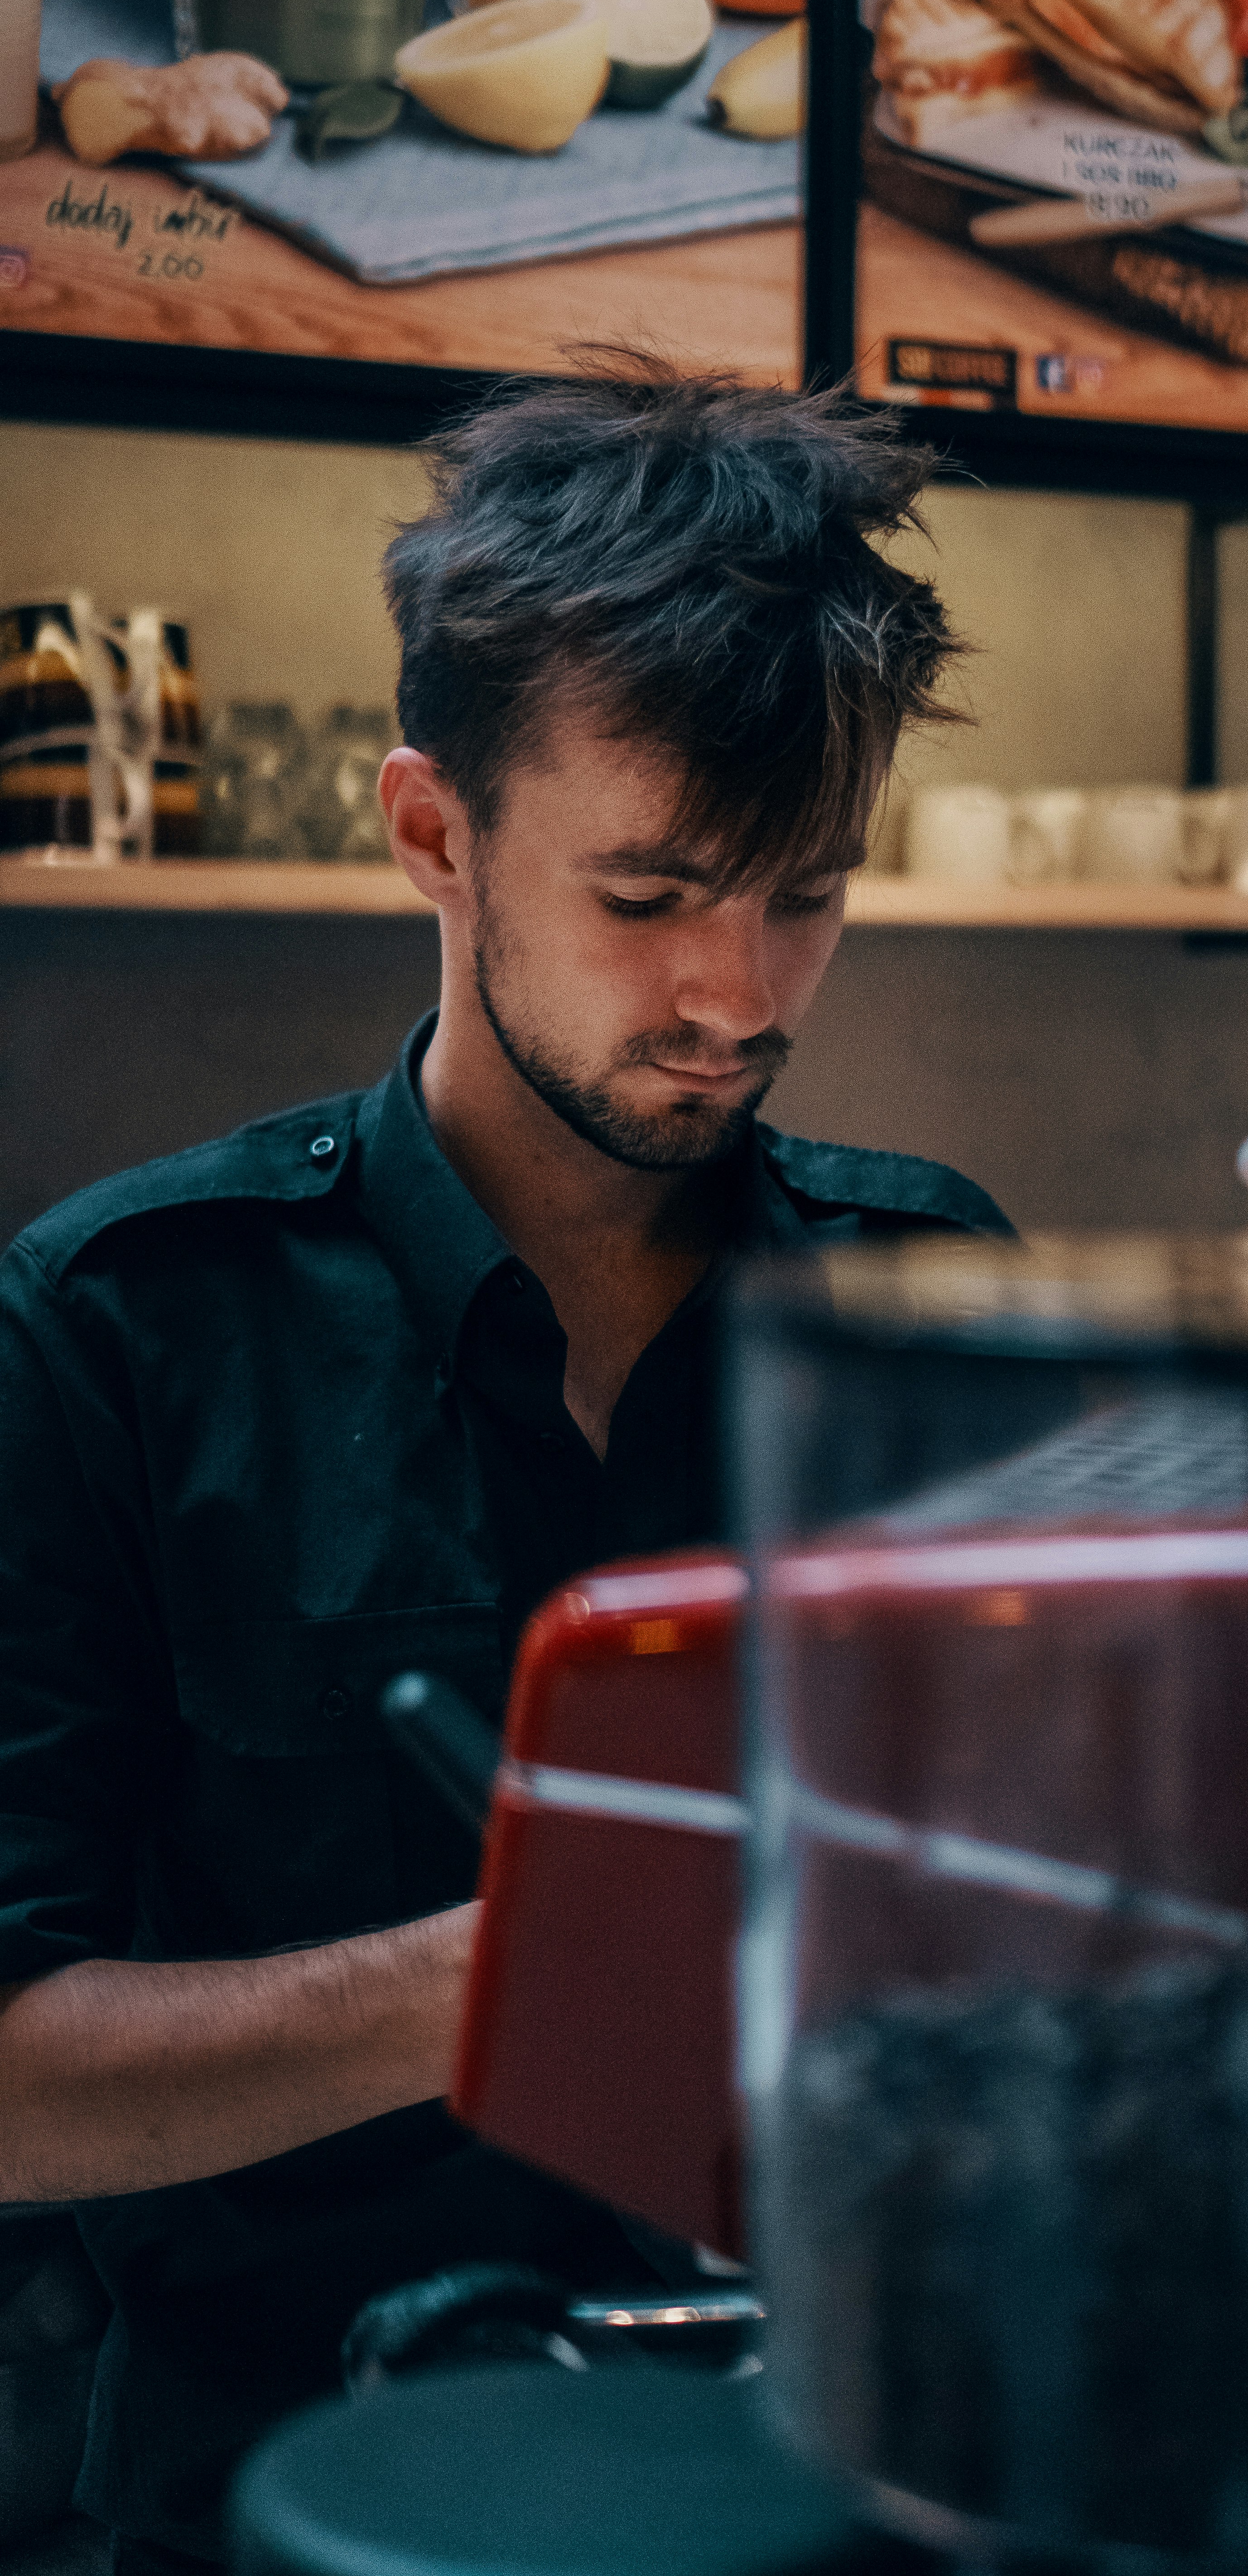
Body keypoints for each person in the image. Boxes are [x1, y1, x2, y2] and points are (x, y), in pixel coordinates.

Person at [0, 358, 1011, 2570]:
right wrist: (533, 1966)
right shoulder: (118, 1329)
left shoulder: (941, 1313)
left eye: (806, 895)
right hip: (295, 2495)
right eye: (650, 896)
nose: (739, 997)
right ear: (431, 832)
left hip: (849, 2478)